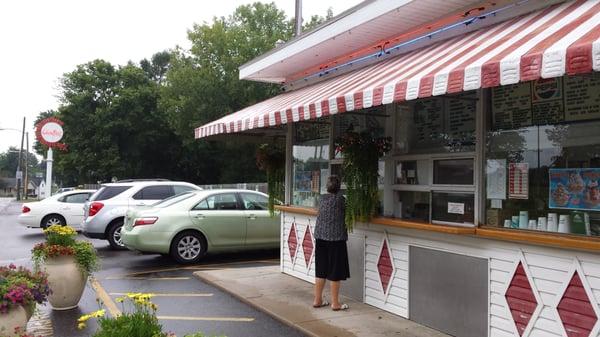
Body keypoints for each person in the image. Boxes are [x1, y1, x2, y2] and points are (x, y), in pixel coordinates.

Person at [313, 175, 350, 311]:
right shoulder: (341, 200)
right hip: (336, 239)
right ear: (339, 187)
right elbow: (350, 213)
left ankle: (317, 299)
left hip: (320, 237)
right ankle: (335, 303)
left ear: (327, 187)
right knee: (335, 270)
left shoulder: (321, 199)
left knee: (321, 269)